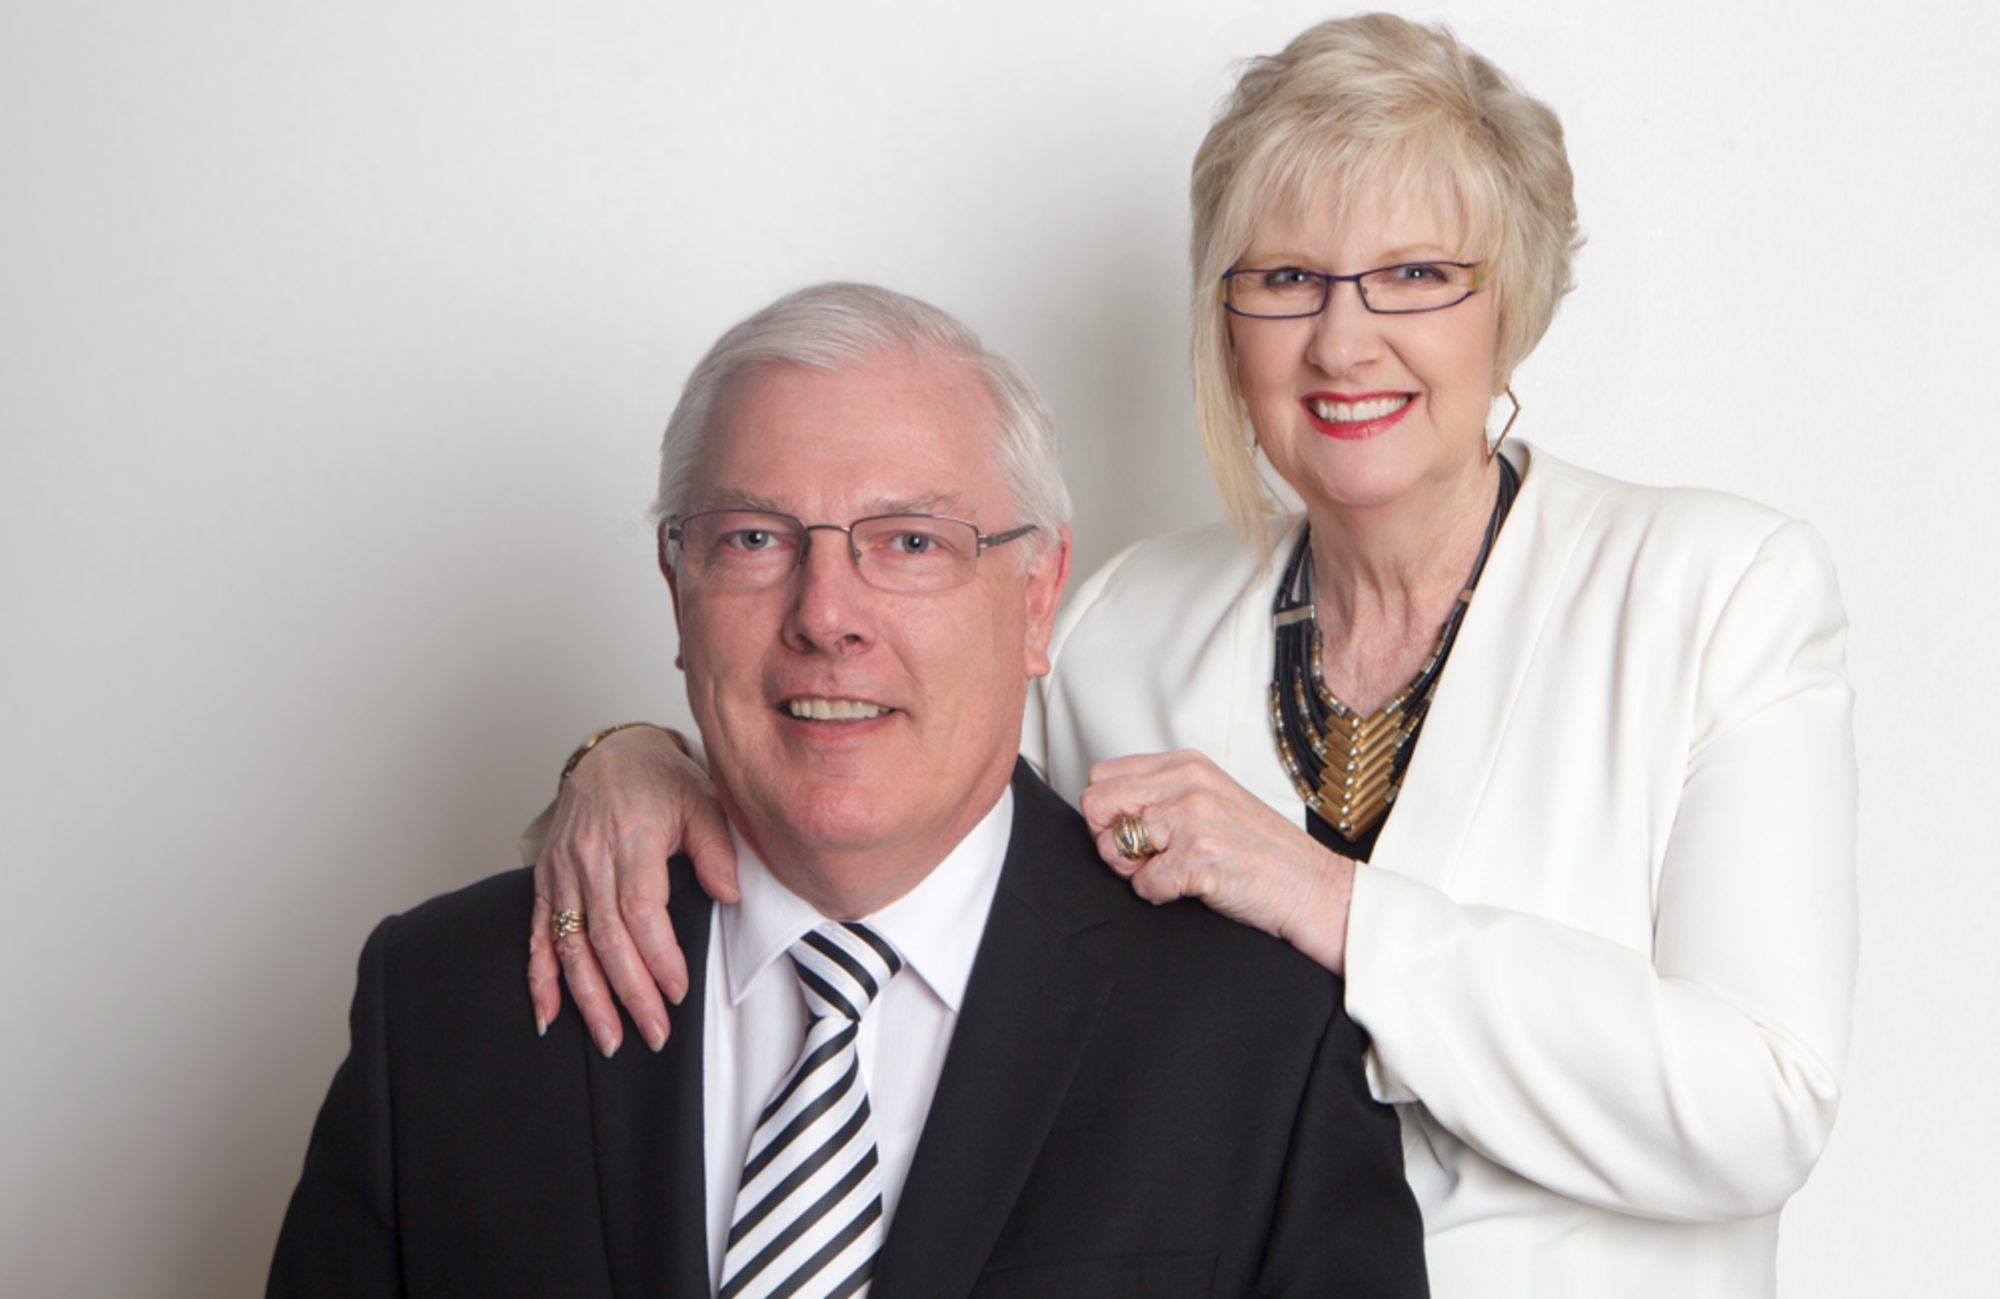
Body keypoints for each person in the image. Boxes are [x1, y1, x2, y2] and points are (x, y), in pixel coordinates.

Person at [523, 15, 1858, 1299]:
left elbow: (1762, 1106)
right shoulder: (1119, 619)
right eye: (1283, 279)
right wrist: (634, 755)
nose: (1343, 339)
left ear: (1510, 303)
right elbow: (900, 845)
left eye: (1414, 273)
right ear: (1229, 320)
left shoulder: (1715, 592)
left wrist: (1329, 904)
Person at [268, 283, 1428, 1298]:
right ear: (677, 586)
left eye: (910, 542)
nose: (825, 616)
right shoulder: (441, 1014)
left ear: (1035, 598)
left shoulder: (1255, 1038)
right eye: (755, 539)